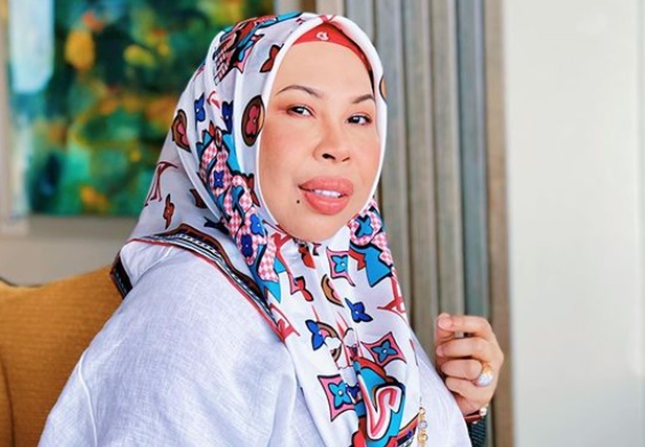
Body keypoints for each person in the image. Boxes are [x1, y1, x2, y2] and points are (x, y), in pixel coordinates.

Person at [39, 12, 503, 447]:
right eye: (300, 109)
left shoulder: (350, 277)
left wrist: (459, 409)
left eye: (358, 118)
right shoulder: (190, 308)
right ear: (229, 126)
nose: (338, 146)